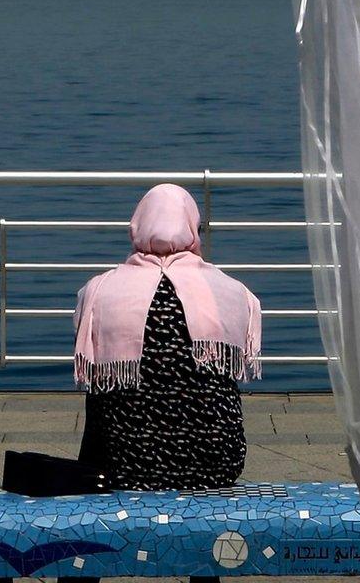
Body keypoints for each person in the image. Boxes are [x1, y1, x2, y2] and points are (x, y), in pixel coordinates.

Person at [73, 184, 263, 491]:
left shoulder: (99, 291)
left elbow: (98, 391)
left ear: (137, 226)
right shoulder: (231, 291)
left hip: (125, 466)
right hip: (215, 464)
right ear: (192, 227)